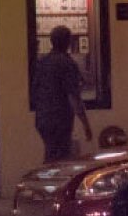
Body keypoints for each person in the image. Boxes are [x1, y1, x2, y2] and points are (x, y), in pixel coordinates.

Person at [31, 25, 92, 161]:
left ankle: (47, 178)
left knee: (51, 154)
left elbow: (35, 90)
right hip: (60, 119)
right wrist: (86, 125)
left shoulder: (42, 62)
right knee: (60, 158)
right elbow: (74, 97)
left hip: (42, 118)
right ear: (68, 42)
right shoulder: (67, 64)